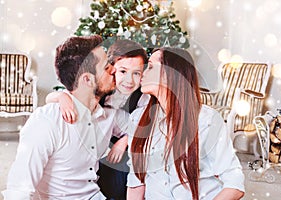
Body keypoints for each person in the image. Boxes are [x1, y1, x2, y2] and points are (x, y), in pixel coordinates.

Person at [2, 35, 128, 199]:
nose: (114, 69)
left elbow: (145, 128)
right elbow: (19, 190)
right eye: (106, 67)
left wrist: (124, 140)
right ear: (87, 80)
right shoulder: (47, 122)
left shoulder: (108, 115)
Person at [127, 47, 245, 200]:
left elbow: (235, 184)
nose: (143, 73)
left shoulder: (207, 120)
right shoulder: (137, 120)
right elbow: (136, 181)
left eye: (150, 66)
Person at [45, 39, 149, 200]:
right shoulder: (100, 87)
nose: (129, 80)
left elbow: (149, 124)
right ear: (112, 69)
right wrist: (61, 96)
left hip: (131, 144)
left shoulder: (143, 96)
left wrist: (125, 141)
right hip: (100, 146)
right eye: (122, 71)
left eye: (136, 73)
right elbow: (60, 94)